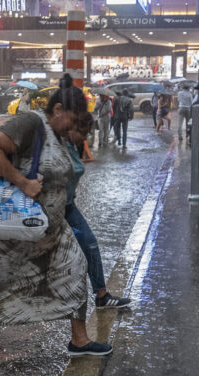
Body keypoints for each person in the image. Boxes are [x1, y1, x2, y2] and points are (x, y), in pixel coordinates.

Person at [0, 74, 112, 367]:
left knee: (76, 269)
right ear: (58, 111)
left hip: (50, 232)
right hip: (13, 231)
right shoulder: (30, 122)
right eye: (73, 119)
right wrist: (22, 182)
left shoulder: (56, 134)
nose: (73, 127)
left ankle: (79, 340)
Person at [65, 112, 132, 309]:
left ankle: (101, 296)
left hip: (68, 206)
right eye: (82, 133)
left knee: (90, 245)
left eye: (86, 134)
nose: (84, 138)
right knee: (73, 256)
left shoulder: (72, 145)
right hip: (54, 209)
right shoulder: (56, 144)